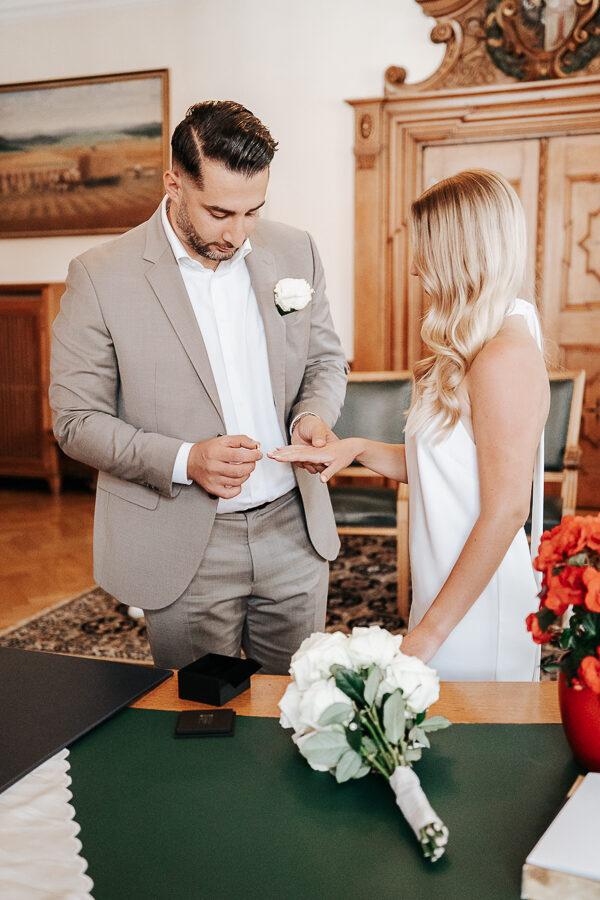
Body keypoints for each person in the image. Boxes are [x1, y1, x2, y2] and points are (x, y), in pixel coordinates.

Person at [50, 100, 348, 674]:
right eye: (219, 212)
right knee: (201, 722)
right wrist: (189, 460)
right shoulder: (100, 275)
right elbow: (75, 422)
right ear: (174, 184)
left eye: (252, 212)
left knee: (301, 713)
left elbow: (326, 362)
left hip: (294, 529)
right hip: (181, 538)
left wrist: (312, 415)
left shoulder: (295, 250)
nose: (237, 234)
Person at [269, 169, 550, 681]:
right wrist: (354, 447)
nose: (417, 270)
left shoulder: (503, 356)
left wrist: (429, 633)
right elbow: (453, 468)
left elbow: (508, 509)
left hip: (477, 610)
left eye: (426, 250)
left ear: (460, 254)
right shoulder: (478, 341)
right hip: (445, 586)